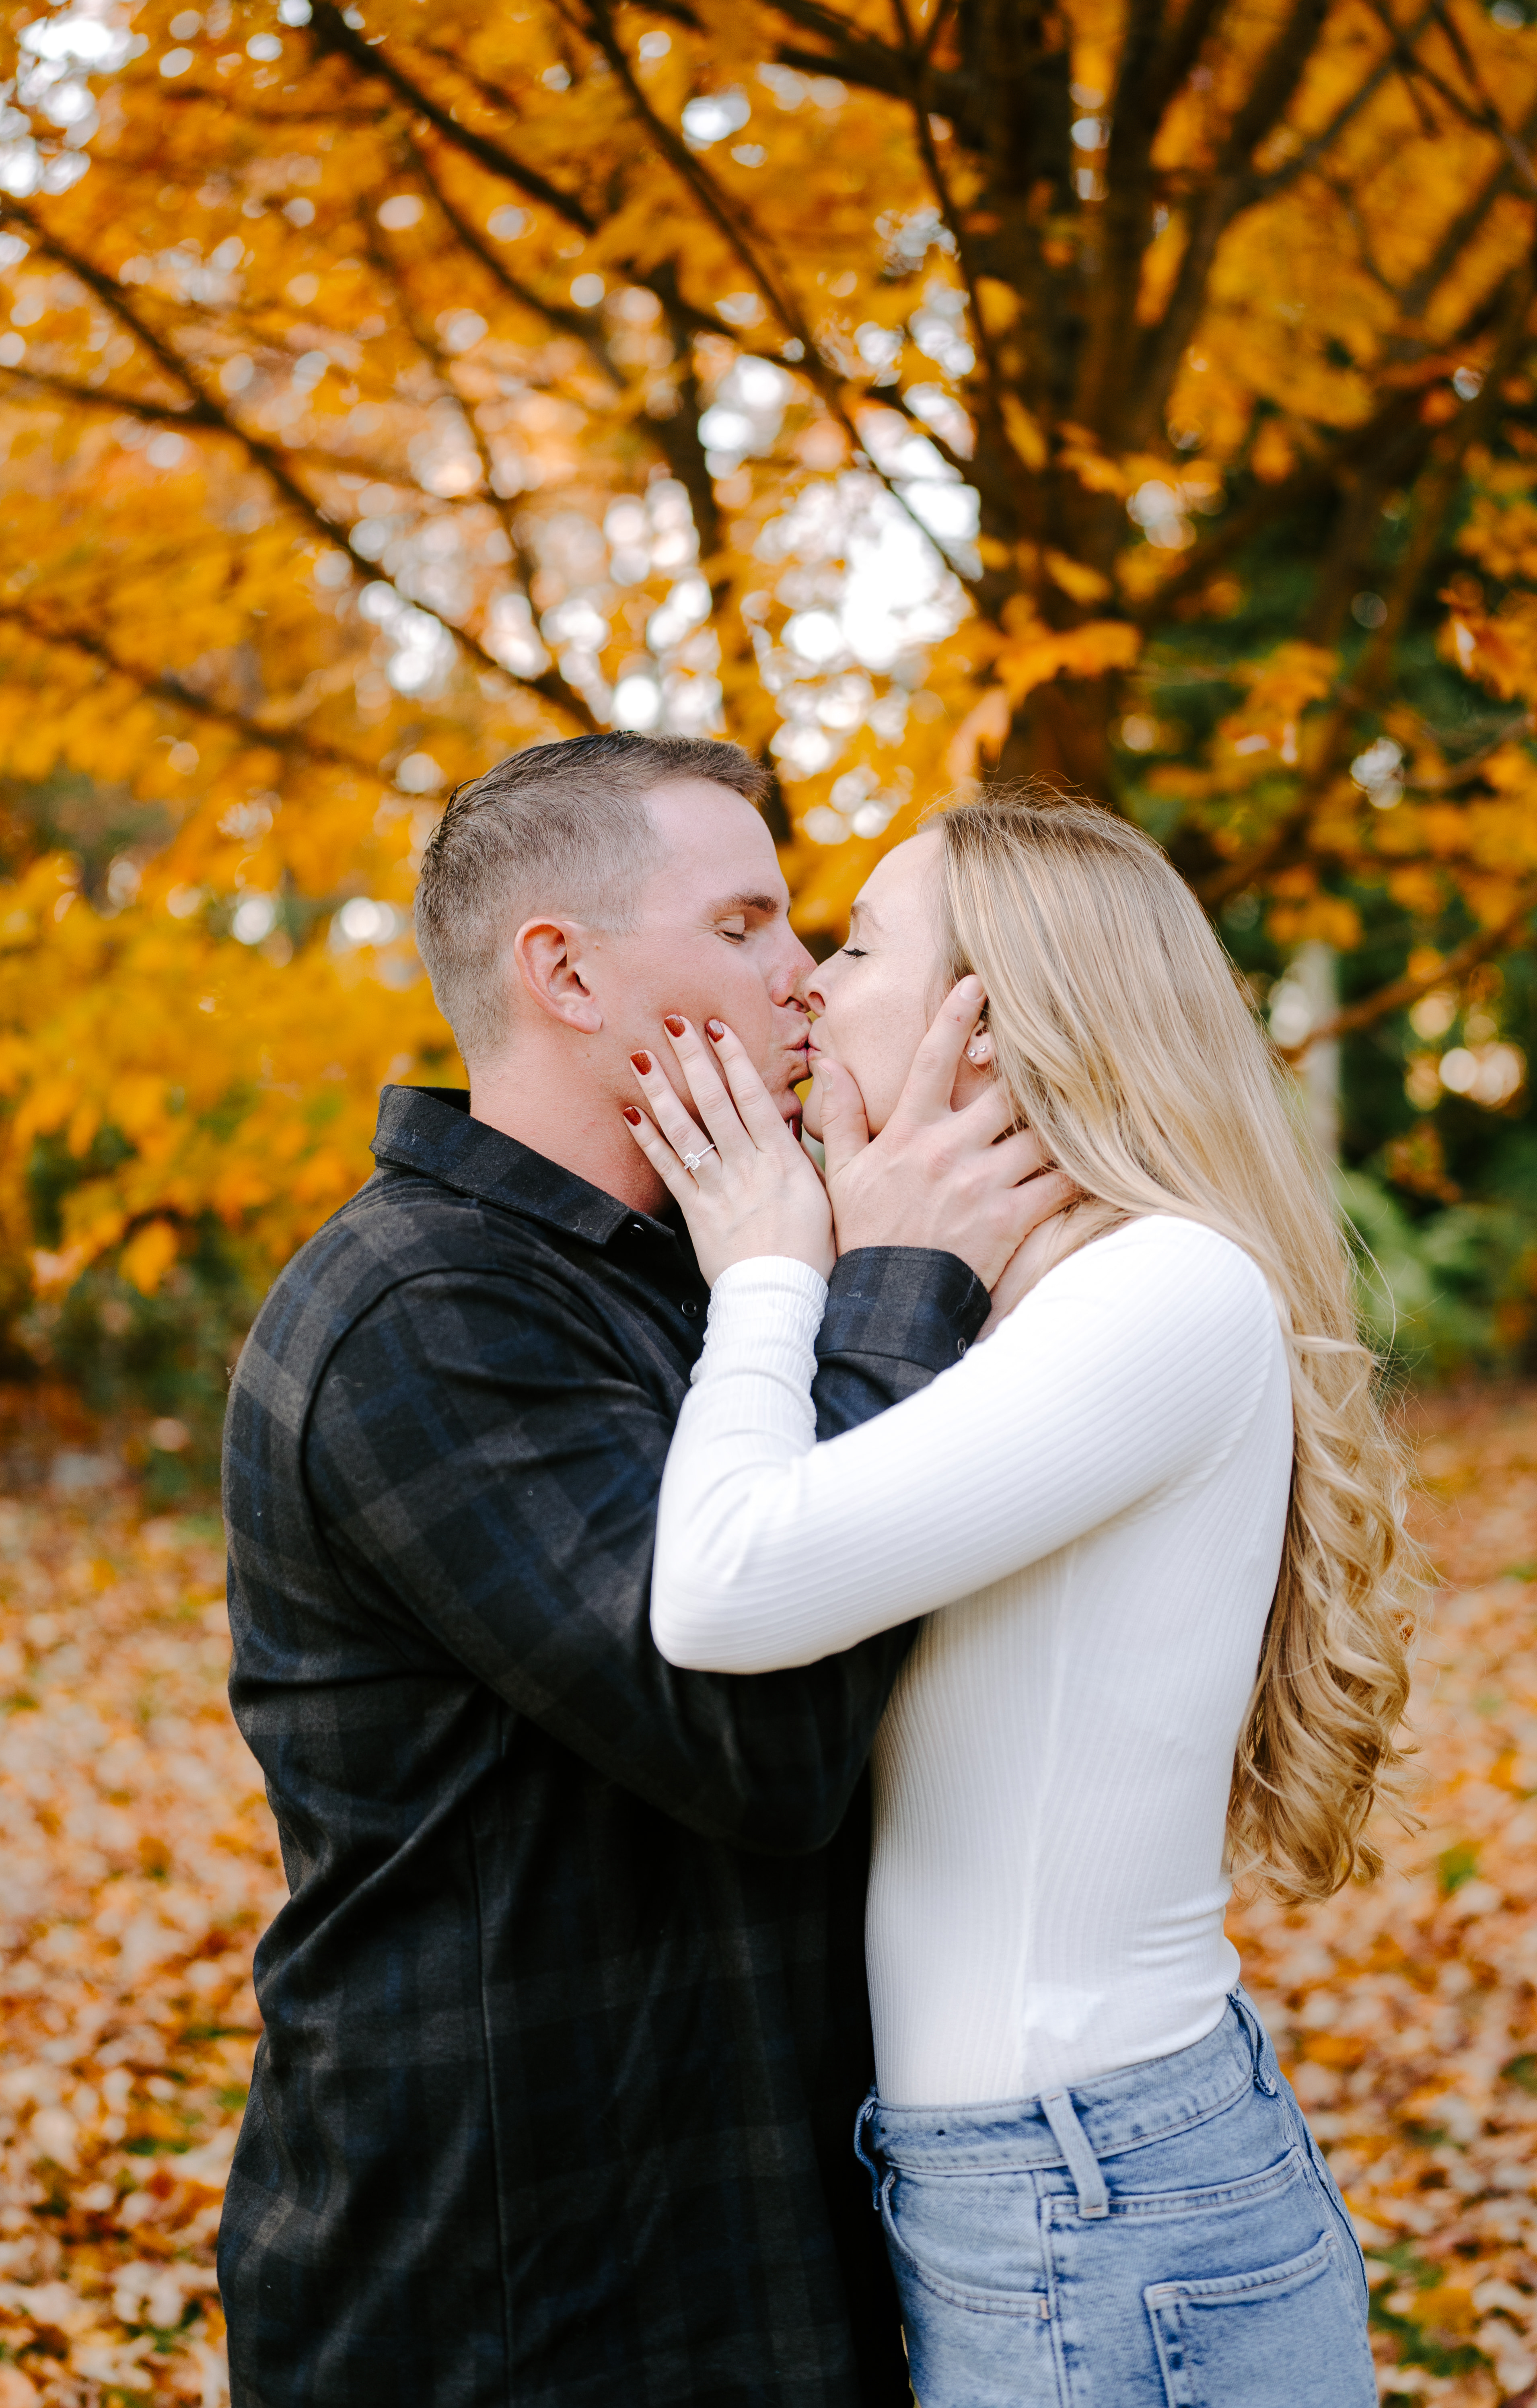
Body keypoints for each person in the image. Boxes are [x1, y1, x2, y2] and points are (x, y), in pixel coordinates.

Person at [216, 733, 1069, 2408]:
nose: (808, 979)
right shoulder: (427, 1316)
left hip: (754, 2240)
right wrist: (897, 1289)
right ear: (565, 971)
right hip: (513, 2289)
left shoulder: (722, 1266)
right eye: (747, 926)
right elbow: (756, 1745)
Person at [623, 792, 1414, 2408]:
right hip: (1027, 2183)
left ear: (992, 1026)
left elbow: (724, 1590)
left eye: (853, 948)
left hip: (1098, 2205)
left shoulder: (1160, 1295)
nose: (806, 989)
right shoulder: (1014, 1312)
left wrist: (770, 1267)